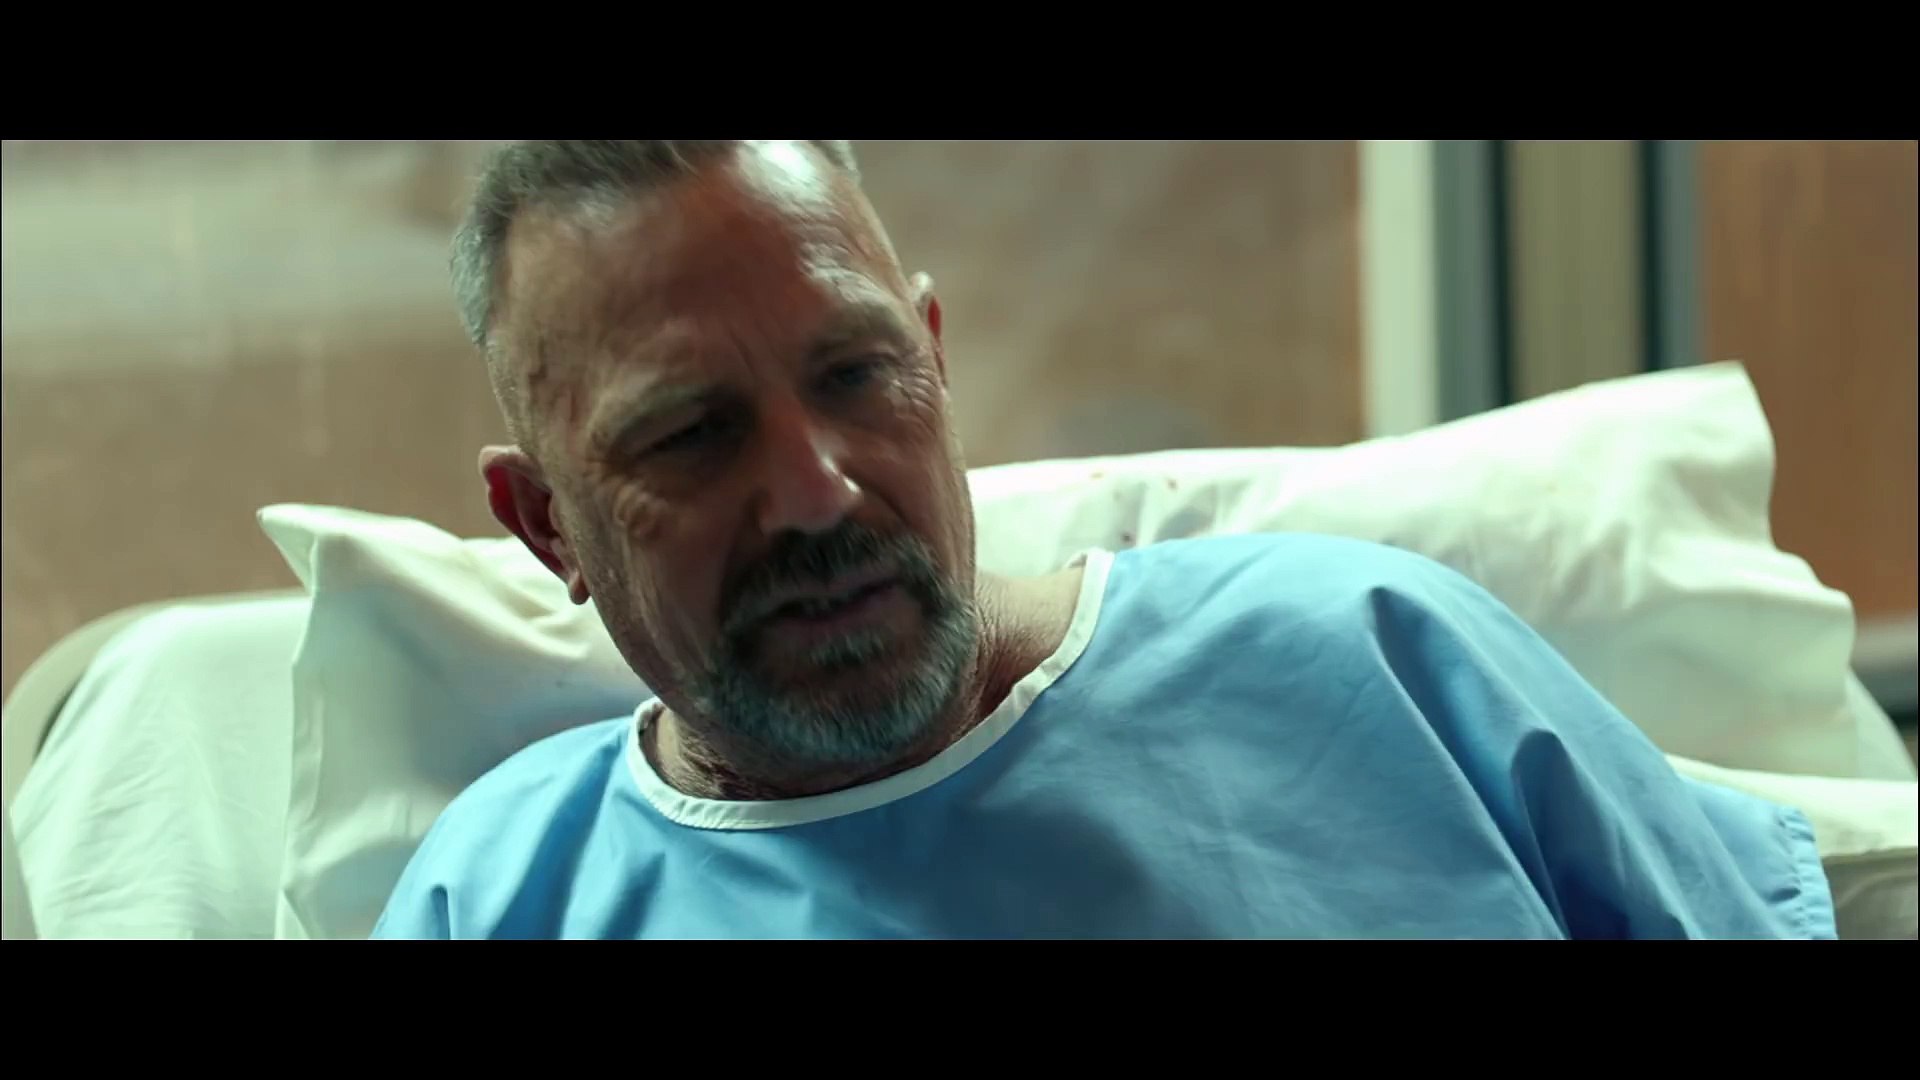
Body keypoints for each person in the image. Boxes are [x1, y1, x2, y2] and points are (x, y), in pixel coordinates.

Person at [370, 140, 1834, 940]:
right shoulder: (500, 895)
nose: (817, 493)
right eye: (694, 434)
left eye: (857, 374)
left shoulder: (1384, 665)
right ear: (547, 525)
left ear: (935, 357)